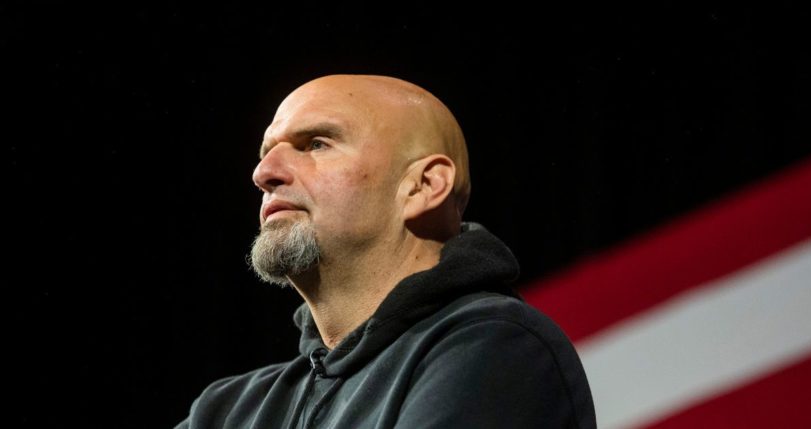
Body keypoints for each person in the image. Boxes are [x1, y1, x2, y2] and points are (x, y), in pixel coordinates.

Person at [175, 74, 595, 428]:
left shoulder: (497, 349)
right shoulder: (225, 411)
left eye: (316, 144)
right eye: (267, 154)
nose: (263, 174)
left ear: (424, 187)